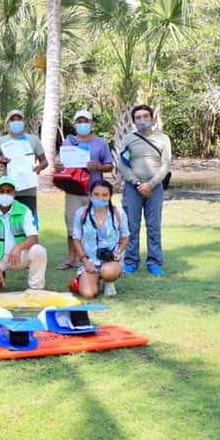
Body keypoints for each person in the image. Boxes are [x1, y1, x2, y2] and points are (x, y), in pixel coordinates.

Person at [54, 110, 114, 270]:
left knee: (97, 223)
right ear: (74, 124)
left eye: (85, 121)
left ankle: (96, 256)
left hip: (95, 191)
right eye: (79, 121)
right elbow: (60, 163)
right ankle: (72, 258)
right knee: (72, 225)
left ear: (92, 124)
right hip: (73, 189)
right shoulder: (68, 143)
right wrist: (58, 164)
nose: (82, 124)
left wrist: (98, 166)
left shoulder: (100, 143)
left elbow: (110, 165)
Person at [118, 104, 172, 275]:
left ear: (152, 119)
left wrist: (151, 184)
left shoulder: (163, 139)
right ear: (134, 121)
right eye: (138, 118)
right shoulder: (128, 139)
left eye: (145, 116)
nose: (142, 120)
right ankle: (131, 261)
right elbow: (122, 164)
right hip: (133, 188)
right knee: (131, 226)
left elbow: (166, 165)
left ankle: (155, 262)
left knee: (154, 226)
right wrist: (137, 184)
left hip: (155, 188)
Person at [0, 176, 47, 290]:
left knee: (39, 251)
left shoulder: (24, 210)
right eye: (1, 191)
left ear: (14, 193)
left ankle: (36, 288)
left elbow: (34, 238)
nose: (5, 194)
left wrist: (19, 247)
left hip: (19, 255)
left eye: (9, 191)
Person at [70, 180, 129, 298]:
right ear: (90, 195)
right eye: (96, 194)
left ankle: (109, 281)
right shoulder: (82, 213)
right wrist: (85, 261)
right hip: (90, 261)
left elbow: (125, 236)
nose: (100, 198)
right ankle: (94, 279)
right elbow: (76, 238)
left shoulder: (118, 213)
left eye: (104, 195)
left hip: (111, 261)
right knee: (88, 294)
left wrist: (118, 252)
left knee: (108, 271)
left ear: (110, 196)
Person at [0, 109, 48, 222]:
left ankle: (29, 240)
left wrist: (39, 167)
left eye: (19, 119)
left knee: (28, 221)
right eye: (12, 119)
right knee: (6, 221)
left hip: (28, 188)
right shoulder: (1, 141)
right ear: (8, 123)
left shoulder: (33, 140)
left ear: (24, 121)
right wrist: (0, 161)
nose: (16, 122)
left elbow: (44, 161)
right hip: (6, 188)